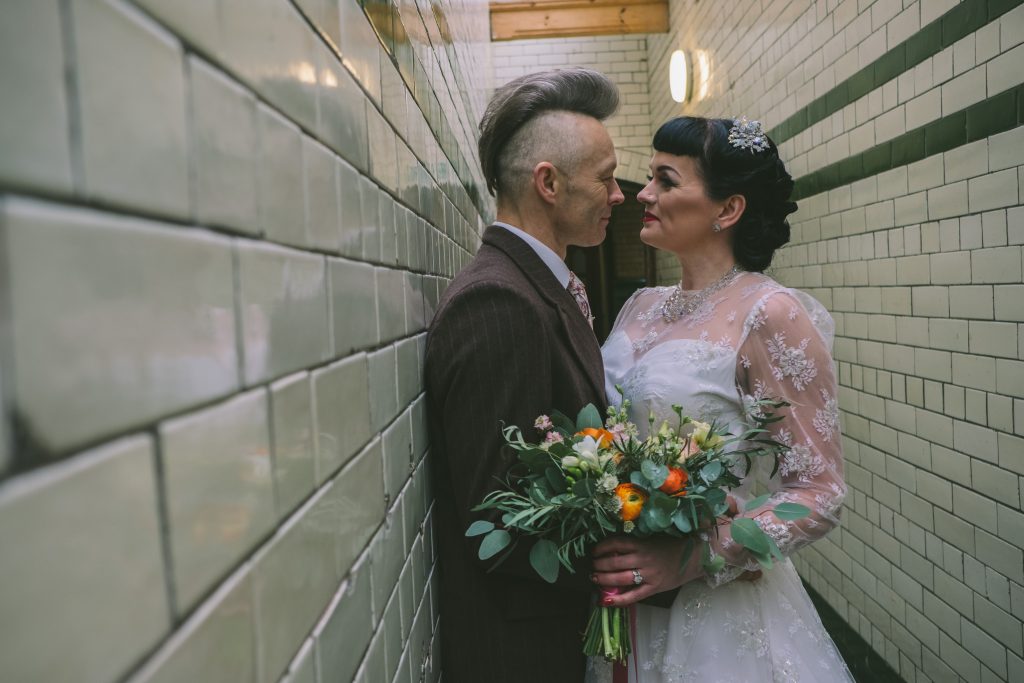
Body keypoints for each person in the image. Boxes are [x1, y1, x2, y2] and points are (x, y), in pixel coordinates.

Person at [587, 116, 853, 682]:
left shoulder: (770, 313)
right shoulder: (640, 306)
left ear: (726, 209)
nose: (646, 195)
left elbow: (818, 492)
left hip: (715, 614)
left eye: (665, 179)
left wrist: (695, 555)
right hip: (627, 602)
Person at [424, 68, 626, 683]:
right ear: (548, 182)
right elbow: (501, 518)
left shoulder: (542, 287)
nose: (619, 195)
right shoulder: (500, 303)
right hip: (523, 652)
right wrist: (647, 547)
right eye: (607, 177)